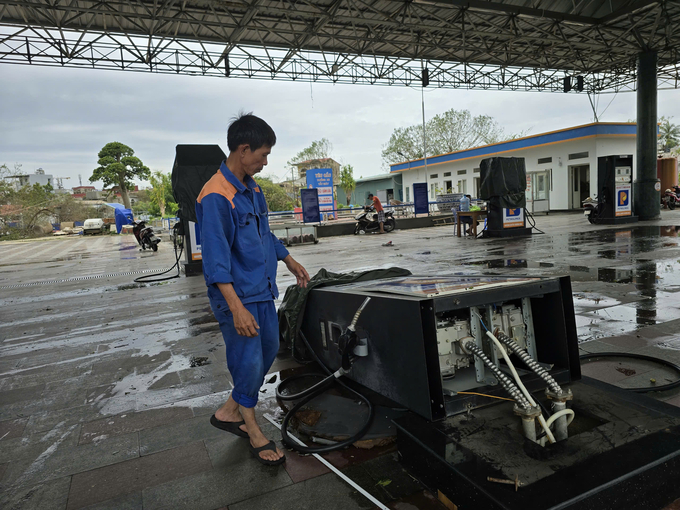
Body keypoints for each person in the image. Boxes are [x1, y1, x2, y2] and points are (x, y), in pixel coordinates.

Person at [195, 113, 310, 466]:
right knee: (247, 361)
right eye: (262, 154)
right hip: (237, 296)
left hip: (261, 289)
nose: (264, 161)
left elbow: (265, 234)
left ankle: (230, 410)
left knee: (268, 348)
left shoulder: (253, 188)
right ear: (243, 150)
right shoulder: (216, 195)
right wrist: (236, 307)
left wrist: (288, 260)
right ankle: (252, 427)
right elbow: (214, 262)